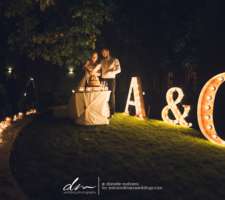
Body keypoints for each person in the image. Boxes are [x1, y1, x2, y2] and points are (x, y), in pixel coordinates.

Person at [100, 48, 121, 116]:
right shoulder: (102, 61)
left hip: (111, 79)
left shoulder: (115, 60)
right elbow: (99, 69)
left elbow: (119, 70)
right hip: (103, 79)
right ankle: (103, 110)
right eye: (102, 53)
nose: (103, 54)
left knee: (111, 95)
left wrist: (111, 71)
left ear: (108, 52)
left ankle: (112, 111)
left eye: (104, 52)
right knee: (103, 94)